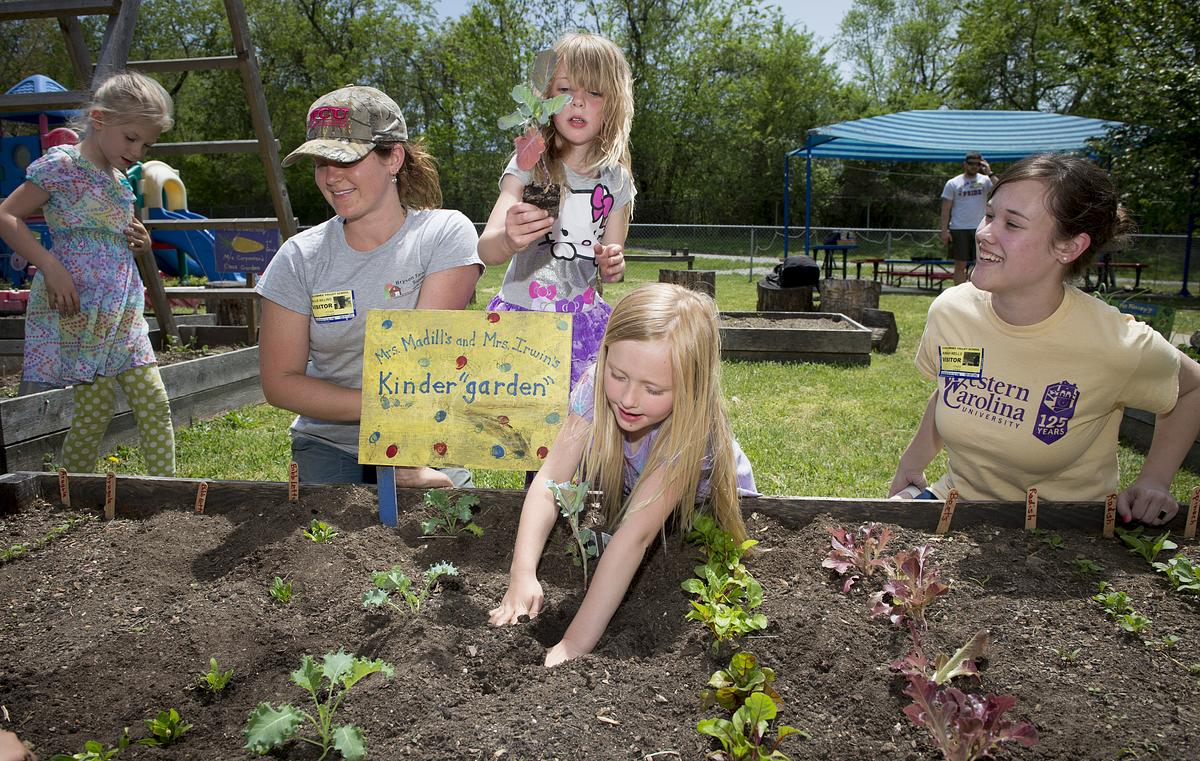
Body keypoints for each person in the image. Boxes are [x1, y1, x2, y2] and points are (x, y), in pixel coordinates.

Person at [892, 154, 1200, 526]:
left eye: (1012, 224)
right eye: (990, 215)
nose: (984, 233)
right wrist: (912, 462)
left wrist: (1155, 479)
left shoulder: (1113, 343)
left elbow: (1191, 389)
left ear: (1068, 247)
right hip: (958, 507)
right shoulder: (953, 312)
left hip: (1066, 531)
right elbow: (954, 386)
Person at [489, 283, 758, 666]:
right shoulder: (597, 385)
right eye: (618, 375)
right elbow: (549, 482)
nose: (629, 399)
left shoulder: (692, 436)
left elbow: (634, 538)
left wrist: (574, 645)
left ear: (692, 387)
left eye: (653, 389)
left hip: (705, 514)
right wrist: (521, 575)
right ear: (607, 354)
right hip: (643, 499)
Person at [257, 85, 483, 487]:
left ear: (393, 158)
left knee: (445, 537)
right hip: (333, 440)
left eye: (346, 160)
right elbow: (280, 381)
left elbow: (422, 359)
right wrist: (377, 407)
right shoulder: (299, 258)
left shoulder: (444, 235)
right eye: (321, 163)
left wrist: (407, 458)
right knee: (325, 542)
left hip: (424, 433)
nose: (330, 177)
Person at [0, 72, 175, 475]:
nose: (138, 150)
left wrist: (141, 241)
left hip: (122, 312)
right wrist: (49, 265)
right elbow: (8, 216)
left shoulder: (121, 183)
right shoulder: (62, 166)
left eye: (146, 143)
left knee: (154, 402)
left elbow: (121, 234)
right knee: (93, 412)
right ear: (99, 119)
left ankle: (169, 493)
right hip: (82, 305)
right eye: (131, 138)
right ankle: (73, 487)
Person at [477, 32, 635, 389]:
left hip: (583, 325)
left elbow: (612, 264)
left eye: (594, 92)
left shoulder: (617, 180)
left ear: (613, 103)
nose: (578, 103)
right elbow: (486, 248)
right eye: (565, 90)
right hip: (521, 321)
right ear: (545, 98)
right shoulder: (529, 161)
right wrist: (509, 237)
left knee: (578, 428)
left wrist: (613, 265)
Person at [940, 152, 995, 285]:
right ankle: (960, 296)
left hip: (981, 228)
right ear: (965, 164)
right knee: (960, 265)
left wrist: (990, 172)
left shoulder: (986, 180)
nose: (974, 166)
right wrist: (944, 231)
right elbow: (945, 209)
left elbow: (1002, 189)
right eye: (971, 163)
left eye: (978, 164)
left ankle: (976, 293)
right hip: (959, 228)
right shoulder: (953, 183)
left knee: (981, 263)